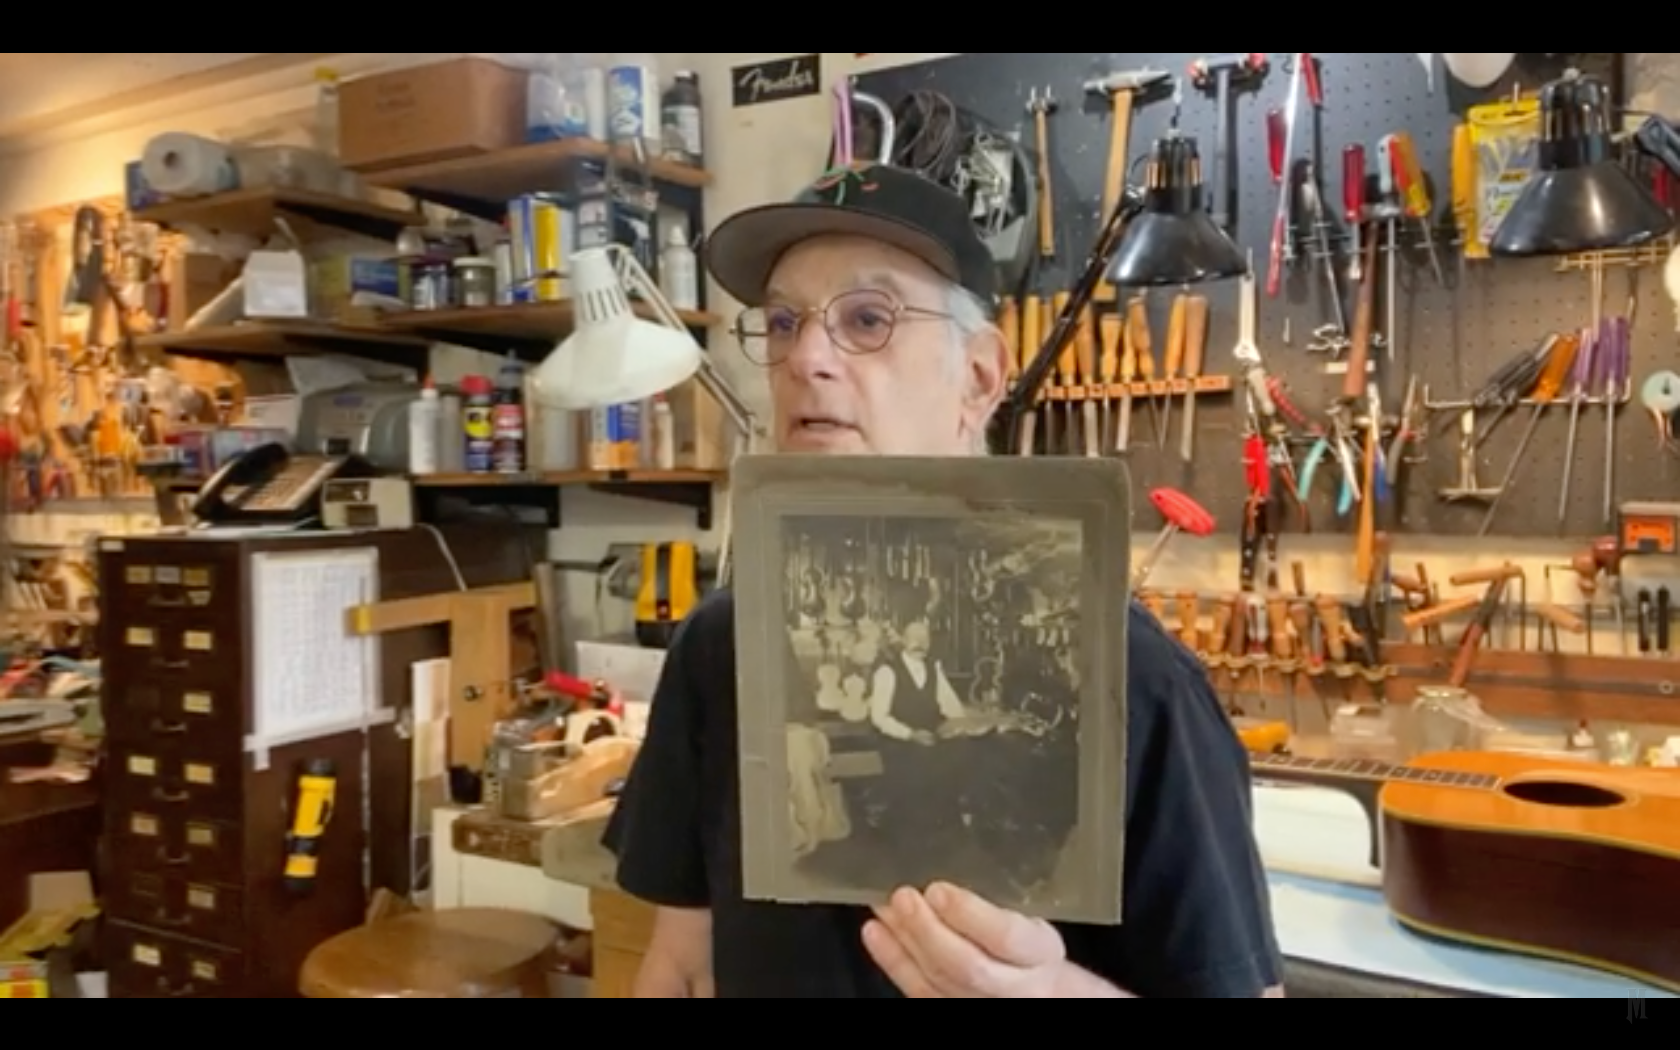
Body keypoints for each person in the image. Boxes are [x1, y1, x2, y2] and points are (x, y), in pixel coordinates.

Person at [604, 164, 1283, 997]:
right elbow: (679, 963)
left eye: (867, 318)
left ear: (981, 379)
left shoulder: (1131, 678)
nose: (805, 357)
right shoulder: (719, 646)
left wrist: (1051, 993)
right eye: (782, 323)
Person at [870, 617, 966, 744]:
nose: (920, 644)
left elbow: (952, 707)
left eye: (925, 639)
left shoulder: (934, 670)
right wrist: (910, 734)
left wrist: (962, 726)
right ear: (904, 640)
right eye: (915, 638)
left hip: (931, 743)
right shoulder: (887, 672)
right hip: (899, 746)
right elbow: (879, 717)